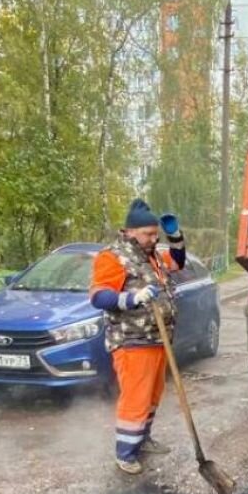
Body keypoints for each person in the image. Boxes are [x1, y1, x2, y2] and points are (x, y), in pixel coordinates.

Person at [89, 198, 185, 474]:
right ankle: (126, 453)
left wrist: (175, 236)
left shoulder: (152, 254)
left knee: (153, 394)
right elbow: (98, 296)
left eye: (156, 234)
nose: (153, 239)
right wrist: (133, 297)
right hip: (132, 341)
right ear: (130, 232)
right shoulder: (113, 256)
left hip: (158, 338)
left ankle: (143, 440)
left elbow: (178, 262)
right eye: (148, 234)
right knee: (136, 397)